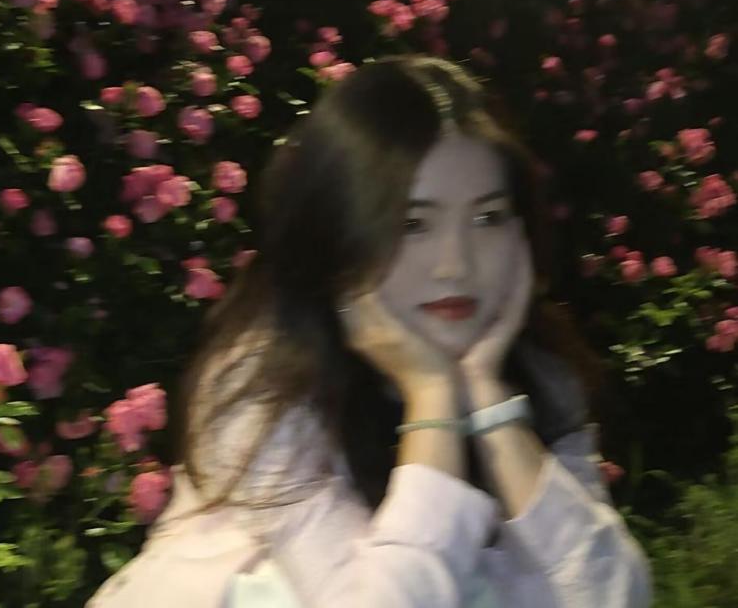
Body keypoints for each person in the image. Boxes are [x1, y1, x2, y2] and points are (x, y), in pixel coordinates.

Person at [88, 55, 653, 607]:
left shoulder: (537, 375)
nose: (455, 264)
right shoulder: (265, 392)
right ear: (343, 229)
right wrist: (431, 395)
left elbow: (611, 594)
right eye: (413, 224)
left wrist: (489, 401)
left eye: (488, 218)